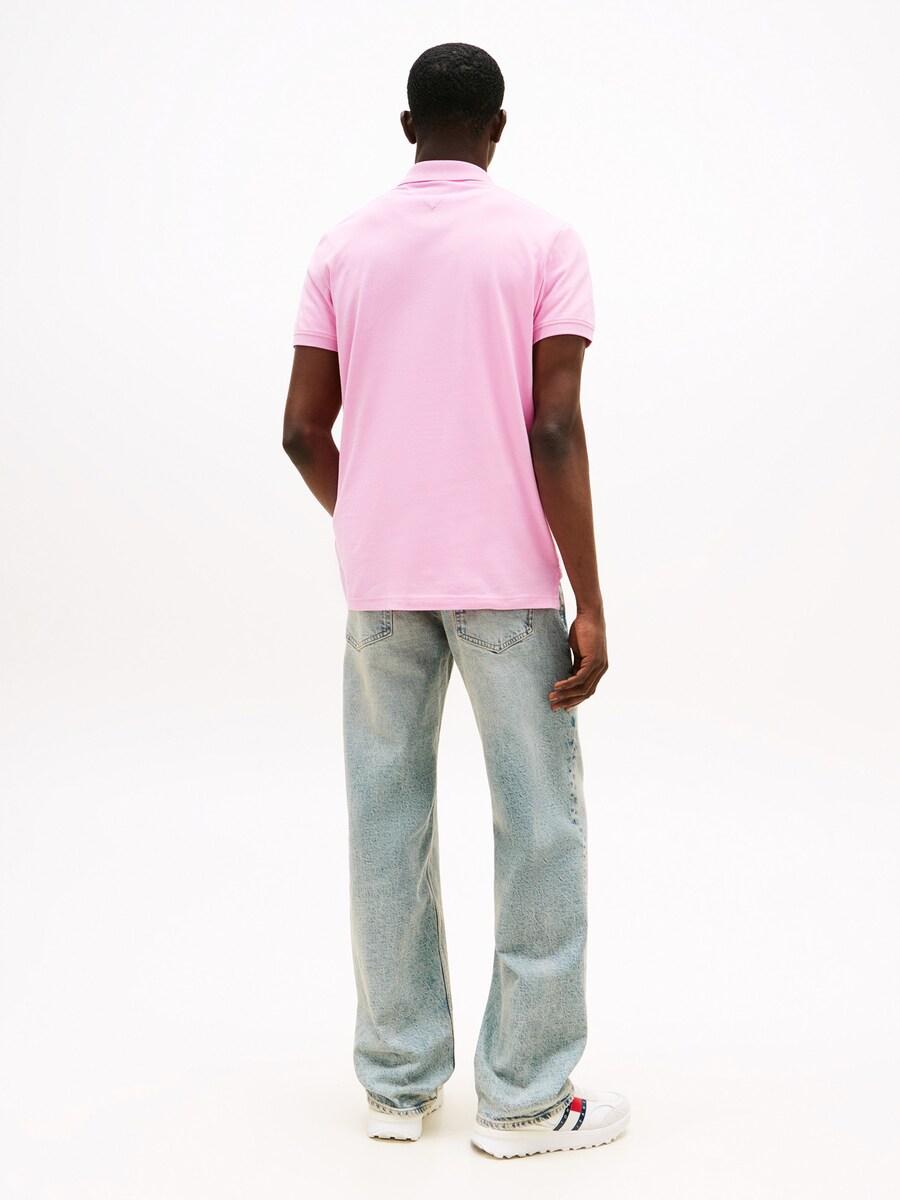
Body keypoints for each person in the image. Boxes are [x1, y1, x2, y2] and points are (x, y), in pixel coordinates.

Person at [282, 42, 629, 1158]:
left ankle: (396, 1086)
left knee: (385, 821)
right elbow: (554, 425)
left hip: (381, 587)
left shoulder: (343, 245)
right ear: (498, 126)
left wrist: (373, 519)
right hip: (506, 587)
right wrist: (589, 598)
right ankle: (524, 1099)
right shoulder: (542, 241)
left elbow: (302, 431)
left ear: (406, 126)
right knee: (539, 828)